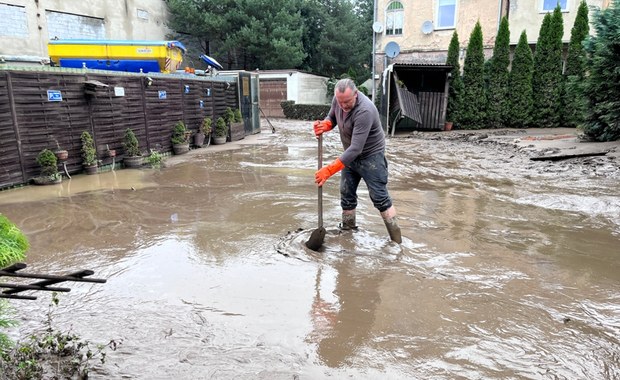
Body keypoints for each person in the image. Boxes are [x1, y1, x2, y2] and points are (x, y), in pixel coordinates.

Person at [313, 78, 402, 243]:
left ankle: (397, 241)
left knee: (380, 198)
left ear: (356, 94)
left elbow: (356, 148)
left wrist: (329, 169)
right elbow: (332, 116)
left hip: (371, 157)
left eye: (347, 102)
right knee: (346, 194)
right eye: (340, 102)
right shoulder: (338, 100)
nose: (343, 106)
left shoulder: (365, 111)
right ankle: (348, 233)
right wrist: (326, 124)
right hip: (350, 157)